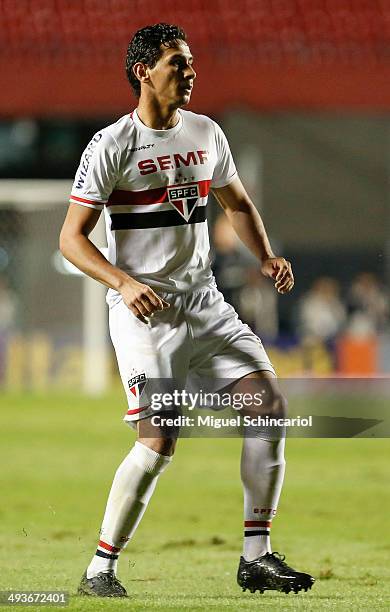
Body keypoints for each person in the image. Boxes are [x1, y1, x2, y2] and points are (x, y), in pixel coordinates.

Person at [60, 23, 314, 599]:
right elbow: (72, 239)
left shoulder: (206, 131)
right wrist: (122, 283)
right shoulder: (110, 146)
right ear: (143, 71)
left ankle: (257, 555)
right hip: (146, 312)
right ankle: (101, 568)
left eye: (192, 62)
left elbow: (237, 202)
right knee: (159, 440)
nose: (191, 72)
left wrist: (266, 256)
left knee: (269, 407)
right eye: (178, 63)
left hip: (205, 302)